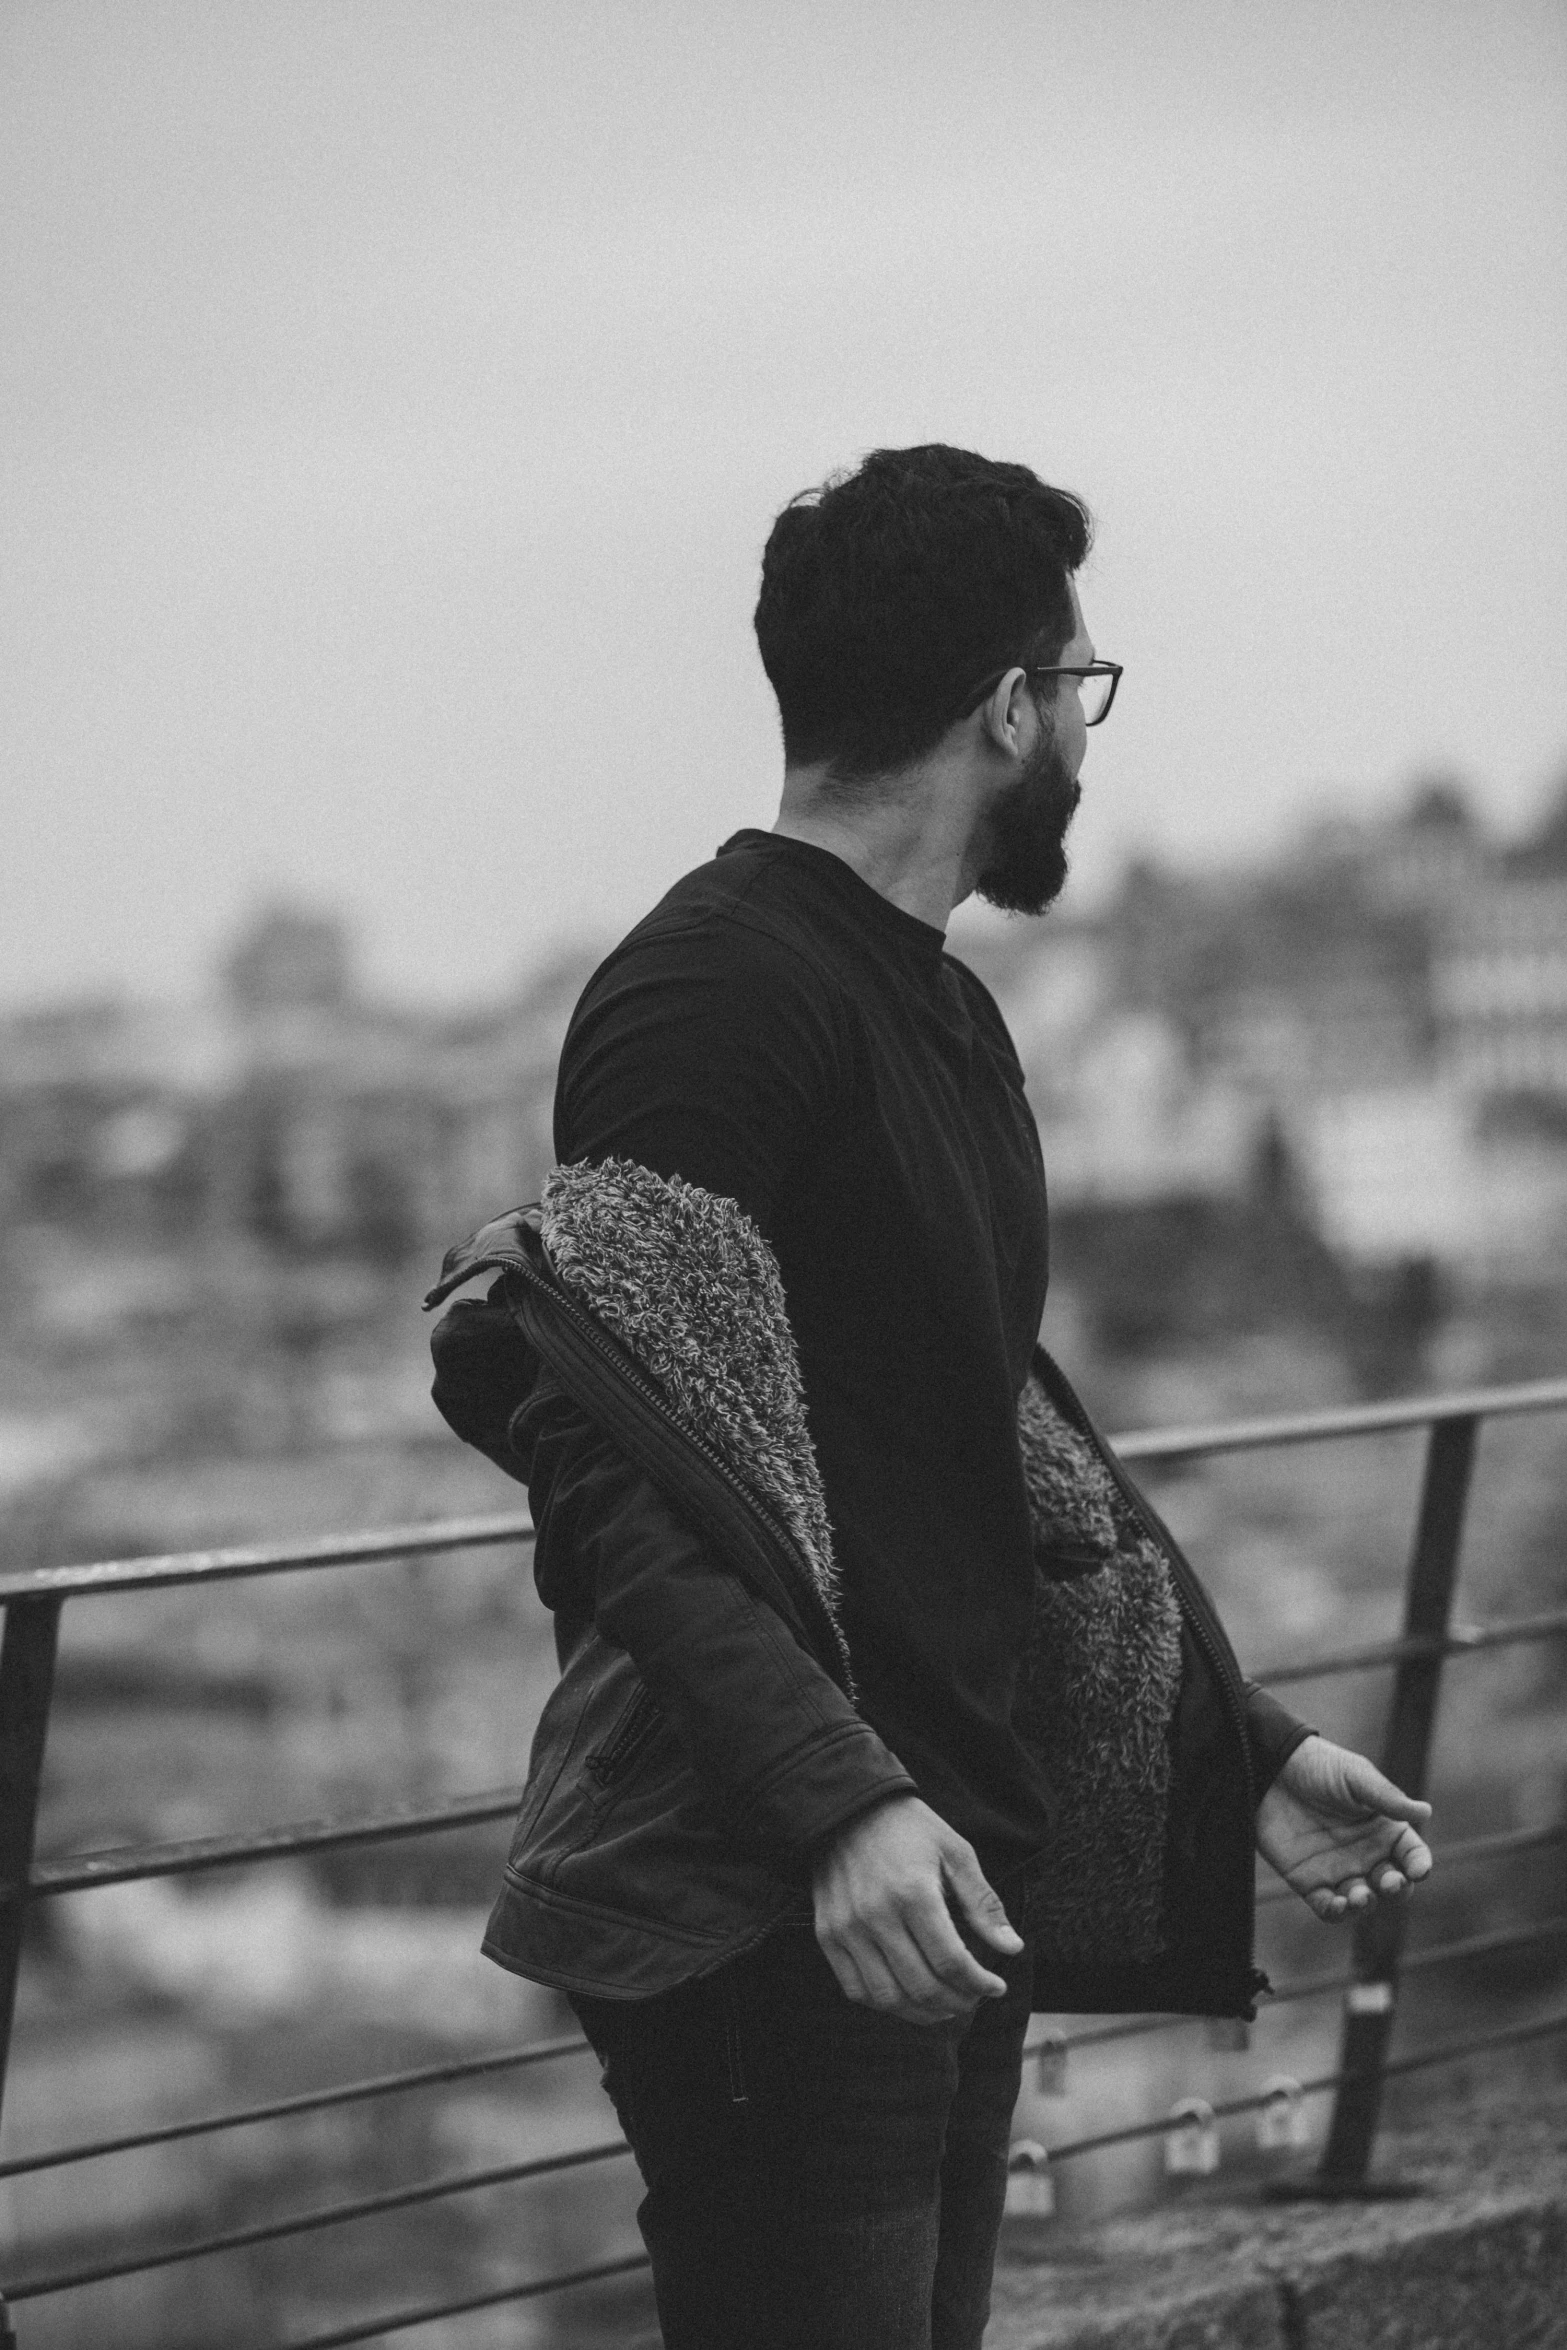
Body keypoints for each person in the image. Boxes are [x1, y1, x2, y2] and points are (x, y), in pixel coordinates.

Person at [427, 444, 1433, 2350]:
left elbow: (969, 1439)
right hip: (774, 1879)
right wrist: (838, 1812)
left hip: (935, 1855)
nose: (1081, 733)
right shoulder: (713, 990)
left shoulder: (934, 1004)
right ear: (1006, 706)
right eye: (1079, 688)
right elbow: (613, 1448)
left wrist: (1241, 1737)